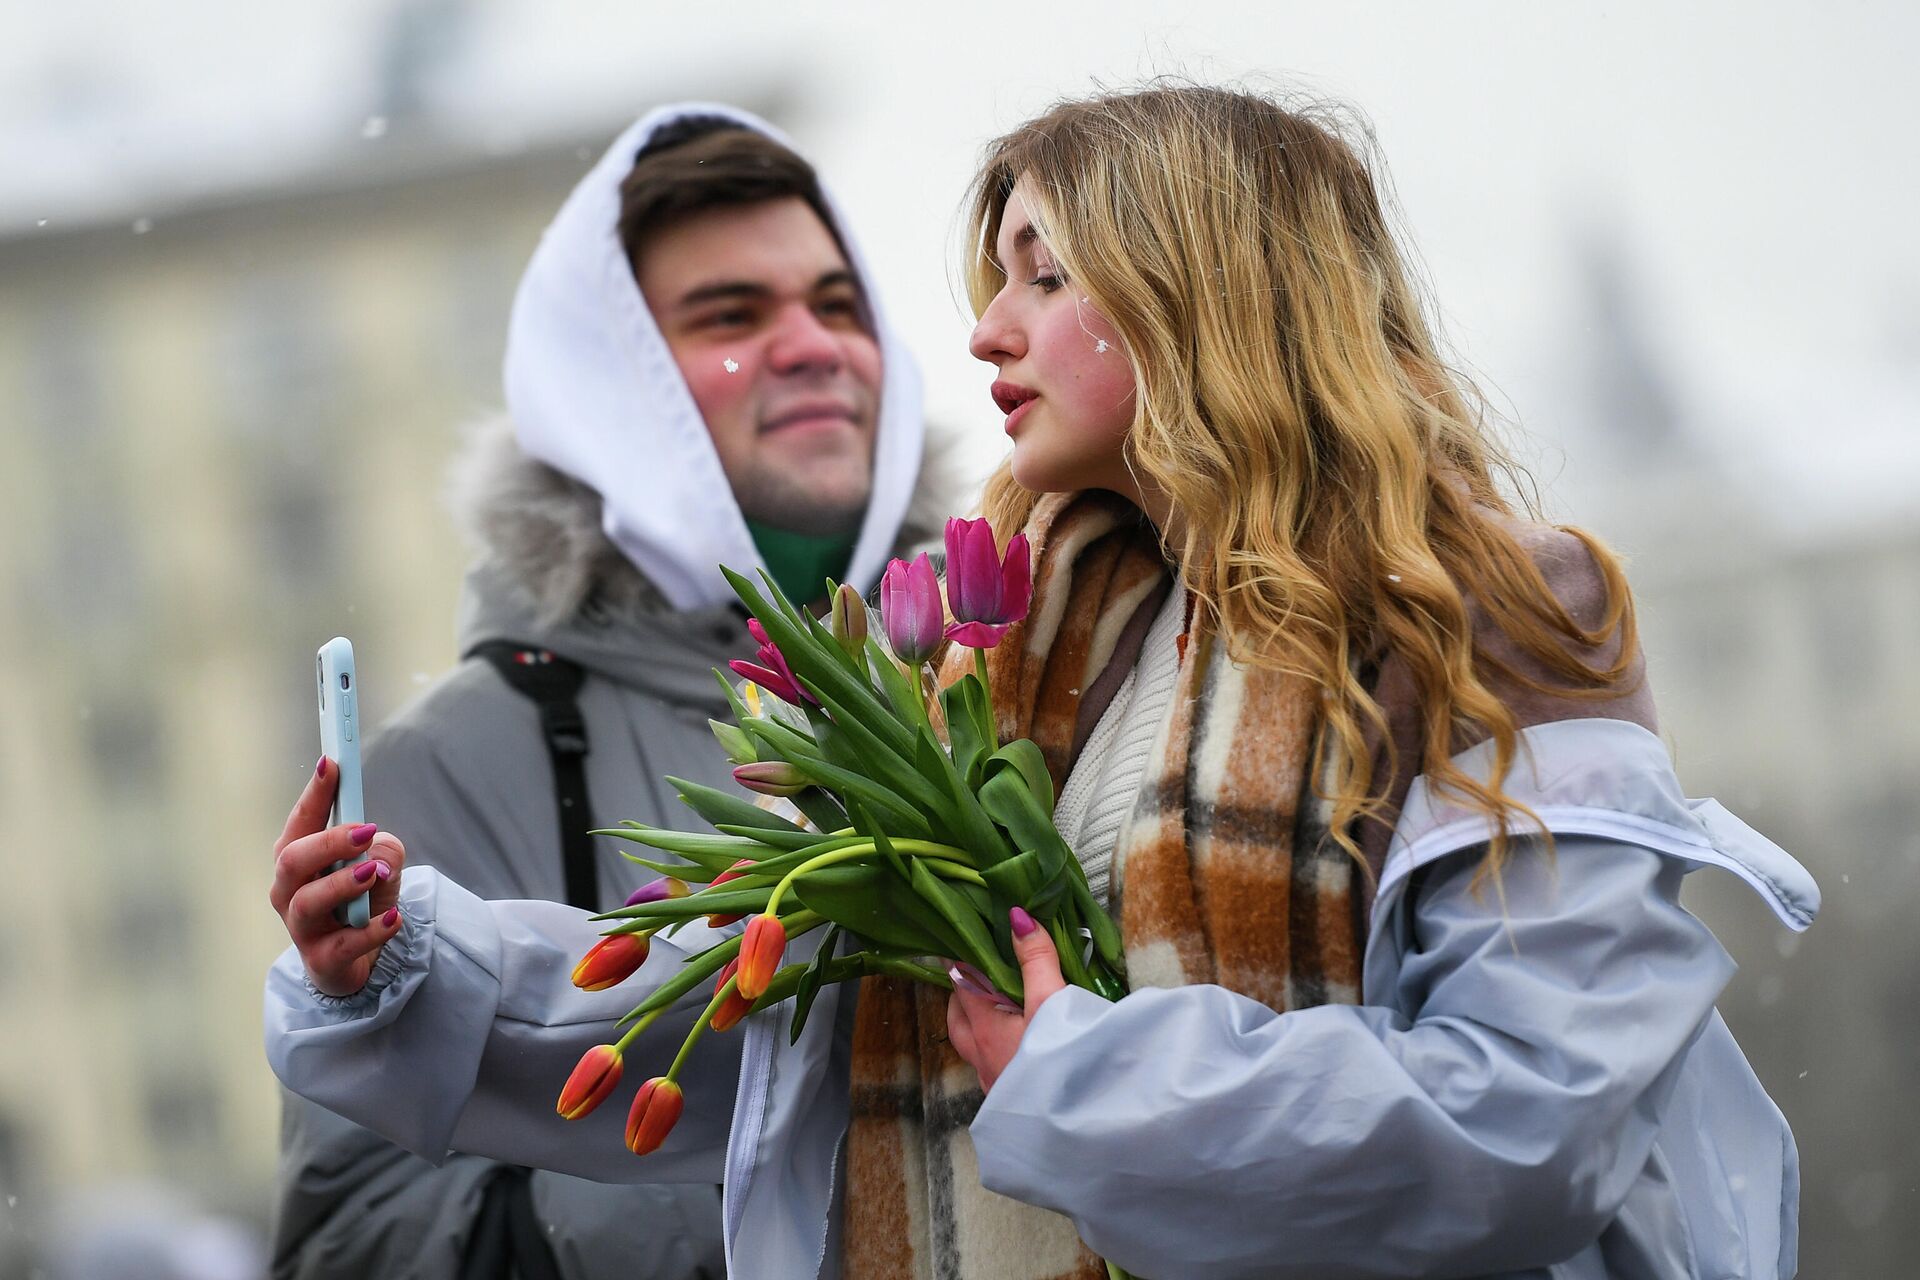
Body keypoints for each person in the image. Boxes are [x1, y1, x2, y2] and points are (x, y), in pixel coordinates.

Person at [264, 84, 1818, 1279]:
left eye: (1045, 273)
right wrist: (410, 958)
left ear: (1206, 297)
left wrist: (1086, 1075)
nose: (983, 328)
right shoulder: (1009, 655)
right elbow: (794, 1019)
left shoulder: (1487, 615)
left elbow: (1533, 1118)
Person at [269, 102, 960, 1280]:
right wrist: (784, 1185)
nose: (813, 344)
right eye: (731, 315)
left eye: (838, 304)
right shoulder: (464, 750)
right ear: (610, 383)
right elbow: (352, 1241)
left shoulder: (991, 664)